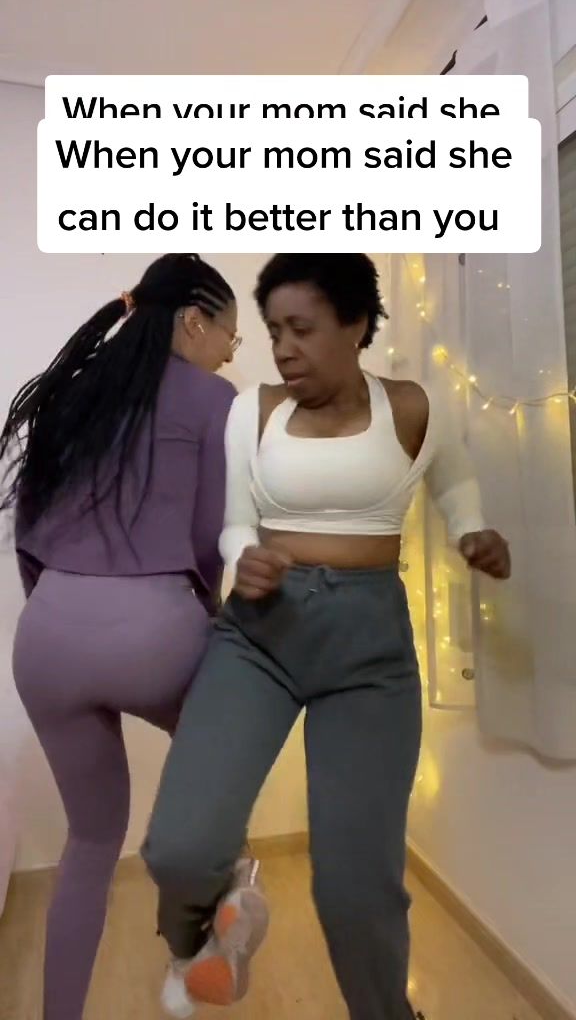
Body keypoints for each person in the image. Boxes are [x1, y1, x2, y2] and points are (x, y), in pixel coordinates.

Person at [142, 253, 511, 1020]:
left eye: (301, 329)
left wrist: (473, 530)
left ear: (355, 325)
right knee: (179, 849)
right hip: (258, 639)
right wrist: (244, 559)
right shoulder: (253, 412)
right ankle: (200, 941)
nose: (282, 348)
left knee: (356, 888)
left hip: (368, 654)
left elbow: (455, 479)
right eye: (274, 330)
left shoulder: (411, 407)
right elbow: (236, 522)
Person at [0, 253, 248, 1020]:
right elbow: (209, 539)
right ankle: (213, 924)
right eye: (231, 335)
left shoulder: (74, 391)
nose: (231, 352)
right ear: (195, 322)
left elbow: (29, 529)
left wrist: (65, 613)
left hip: (47, 638)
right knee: (224, 771)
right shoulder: (215, 399)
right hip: (155, 631)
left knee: (91, 841)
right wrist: (203, 619)